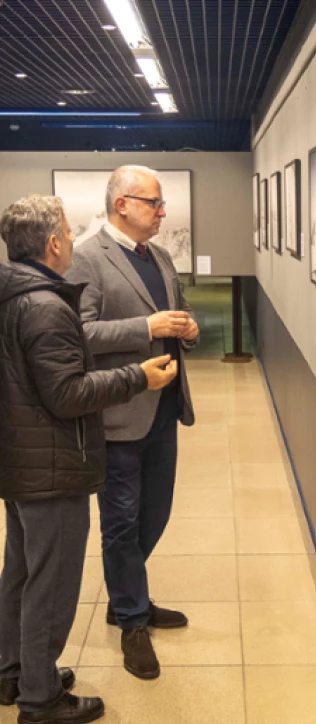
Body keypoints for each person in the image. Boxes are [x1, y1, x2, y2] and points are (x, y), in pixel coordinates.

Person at [0, 195, 177, 724]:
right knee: (50, 584)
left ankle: (14, 671)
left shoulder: (14, 292)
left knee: (22, 572)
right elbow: (67, 394)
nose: (72, 240)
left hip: (22, 458)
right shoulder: (47, 306)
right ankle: (40, 697)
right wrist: (137, 378)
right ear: (53, 243)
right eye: (66, 232)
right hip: (51, 464)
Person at [65, 165, 199, 681]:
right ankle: (132, 620)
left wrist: (184, 328)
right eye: (154, 203)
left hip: (164, 409)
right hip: (119, 413)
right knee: (121, 521)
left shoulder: (160, 257)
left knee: (155, 513)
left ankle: (127, 597)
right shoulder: (86, 258)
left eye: (161, 204)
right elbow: (79, 334)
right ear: (122, 204)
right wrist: (147, 326)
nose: (162, 212)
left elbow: (180, 312)